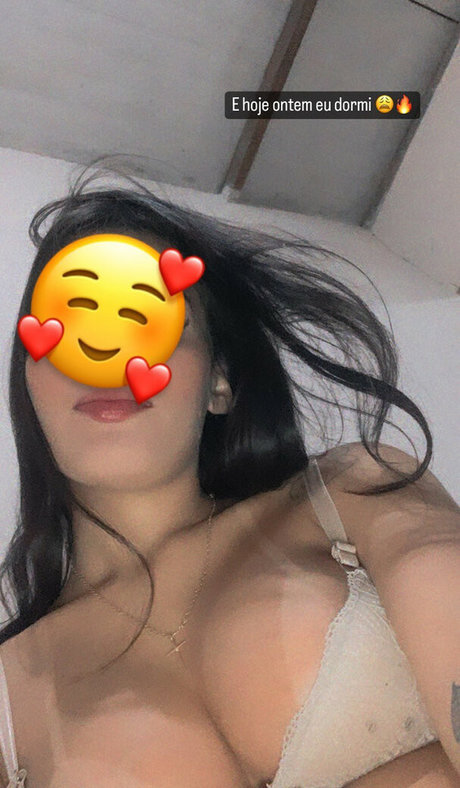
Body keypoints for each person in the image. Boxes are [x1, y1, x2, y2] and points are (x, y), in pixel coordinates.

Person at [0, 163, 458, 787]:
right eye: (71, 320)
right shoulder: (9, 696)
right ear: (30, 379)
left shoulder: (355, 490)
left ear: (219, 381)